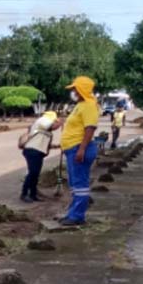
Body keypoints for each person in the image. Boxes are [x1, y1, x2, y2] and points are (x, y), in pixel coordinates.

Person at [59, 76, 100, 226]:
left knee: (80, 184)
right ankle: (73, 213)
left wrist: (81, 149)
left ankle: (77, 216)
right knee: (75, 184)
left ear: (82, 89)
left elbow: (90, 128)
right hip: (73, 148)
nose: (73, 91)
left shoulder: (89, 105)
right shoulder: (81, 105)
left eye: (75, 88)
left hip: (79, 148)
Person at [20, 111, 62, 203]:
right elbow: (53, 126)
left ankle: (33, 194)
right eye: (55, 120)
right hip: (32, 150)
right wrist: (60, 122)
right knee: (32, 173)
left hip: (38, 152)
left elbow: (44, 144)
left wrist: (58, 146)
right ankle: (24, 194)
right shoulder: (43, 120)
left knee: (35, 174)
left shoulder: (47, 130)